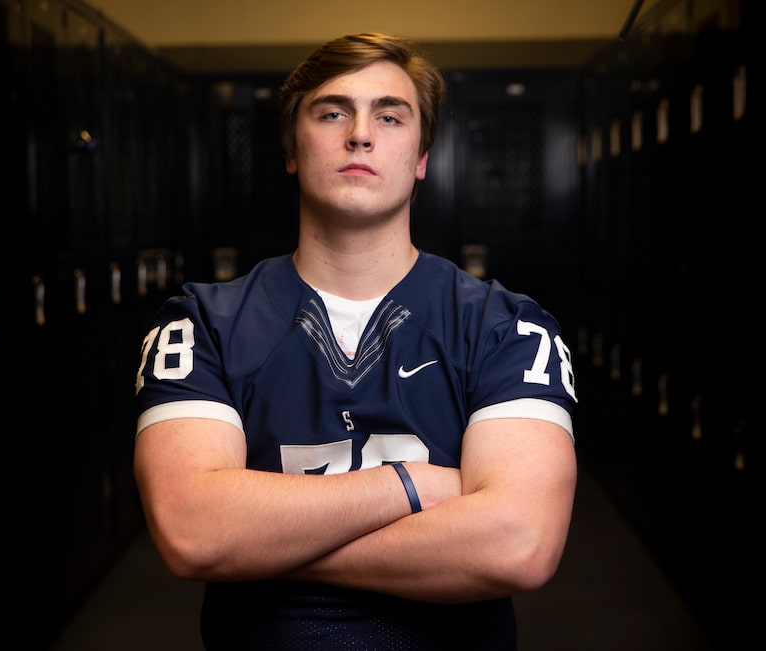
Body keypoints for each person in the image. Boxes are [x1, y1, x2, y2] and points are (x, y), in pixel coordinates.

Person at [133, 32, 578, 650]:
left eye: (390, 115)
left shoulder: (506, 328)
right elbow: (190, 530)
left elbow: (519, 545)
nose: (361, 134)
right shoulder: (202, 324)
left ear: (422, 156)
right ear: (293, 146)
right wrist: (415, 485)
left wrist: (264, 545)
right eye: (333, 112)